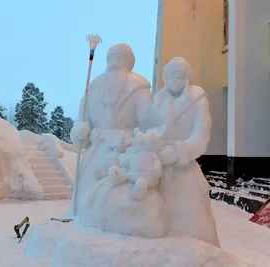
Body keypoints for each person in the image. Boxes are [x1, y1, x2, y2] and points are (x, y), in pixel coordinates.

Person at [69, 43, 154, 216]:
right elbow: (81, 123)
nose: (115, 62)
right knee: (87, 204)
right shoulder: (92, 89)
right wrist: (80, 131)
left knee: (118, 205)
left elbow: (149, 125)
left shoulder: (140, 89)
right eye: (112, 58)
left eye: (120, 58)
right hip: (96, 154)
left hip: (125, 154)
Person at [150, 57, 220, 247]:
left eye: (180, 75)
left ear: (188, 77)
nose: (175, 79)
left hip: (184, 166)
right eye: (171, 75)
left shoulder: (197, 98)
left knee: (191, 218)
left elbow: (201, 135)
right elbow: (149, 127)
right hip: (160, 165)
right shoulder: (158, 100)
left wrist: (180, 151)